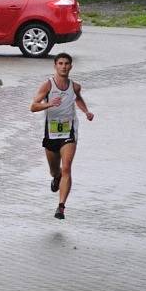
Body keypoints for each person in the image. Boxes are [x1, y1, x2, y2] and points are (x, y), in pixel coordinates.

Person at [30, 52, 94, 220]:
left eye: (67, 63)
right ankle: (56, 177)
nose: (64, 66)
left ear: (71, 66)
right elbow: (33, 106)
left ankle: (61, 207)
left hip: (69, 132)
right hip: (51, 133)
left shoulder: (75, 86)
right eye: (61, 63)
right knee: (54, 170)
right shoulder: (48, 86)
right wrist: (49, 103)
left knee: (67, 168)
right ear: (55, 65)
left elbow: (78, 99)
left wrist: (86, 112)